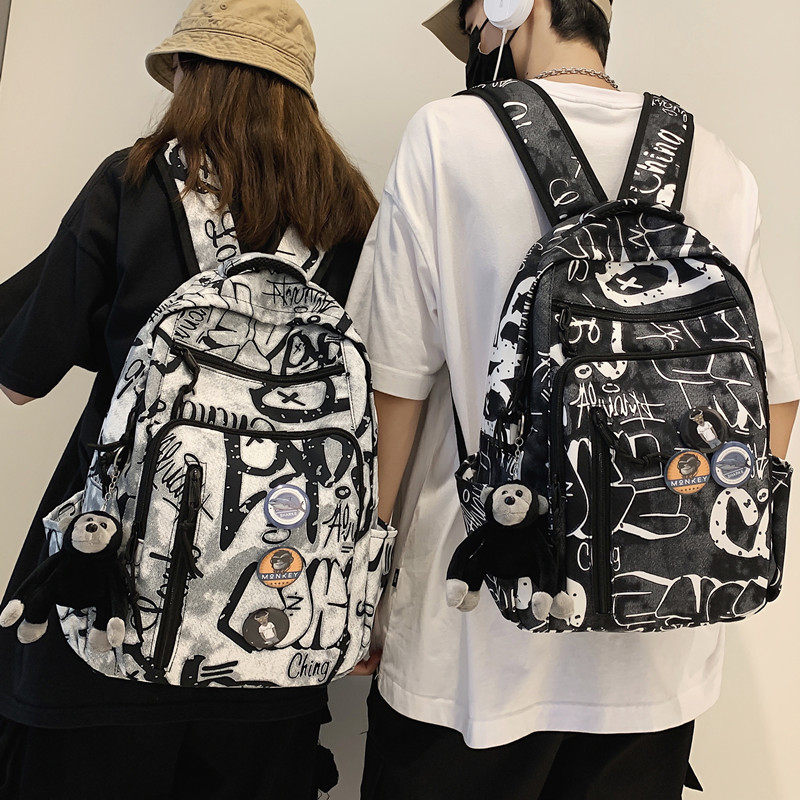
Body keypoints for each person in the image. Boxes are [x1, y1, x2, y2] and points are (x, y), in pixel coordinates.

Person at [347, 1, 800, 798]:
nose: (476, 41)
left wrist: (357, 589)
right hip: (659, 660)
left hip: (475, 648)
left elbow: (390, 392)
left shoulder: (447, 136)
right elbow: (776, 398)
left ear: (510, 6)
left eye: (473, 22)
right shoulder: (714, 157)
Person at [0, 1, 375, 798]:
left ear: (191, 73)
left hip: (106, 611)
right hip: (275, 627)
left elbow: (21, 376)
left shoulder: (132, 182)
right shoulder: (349, 213)